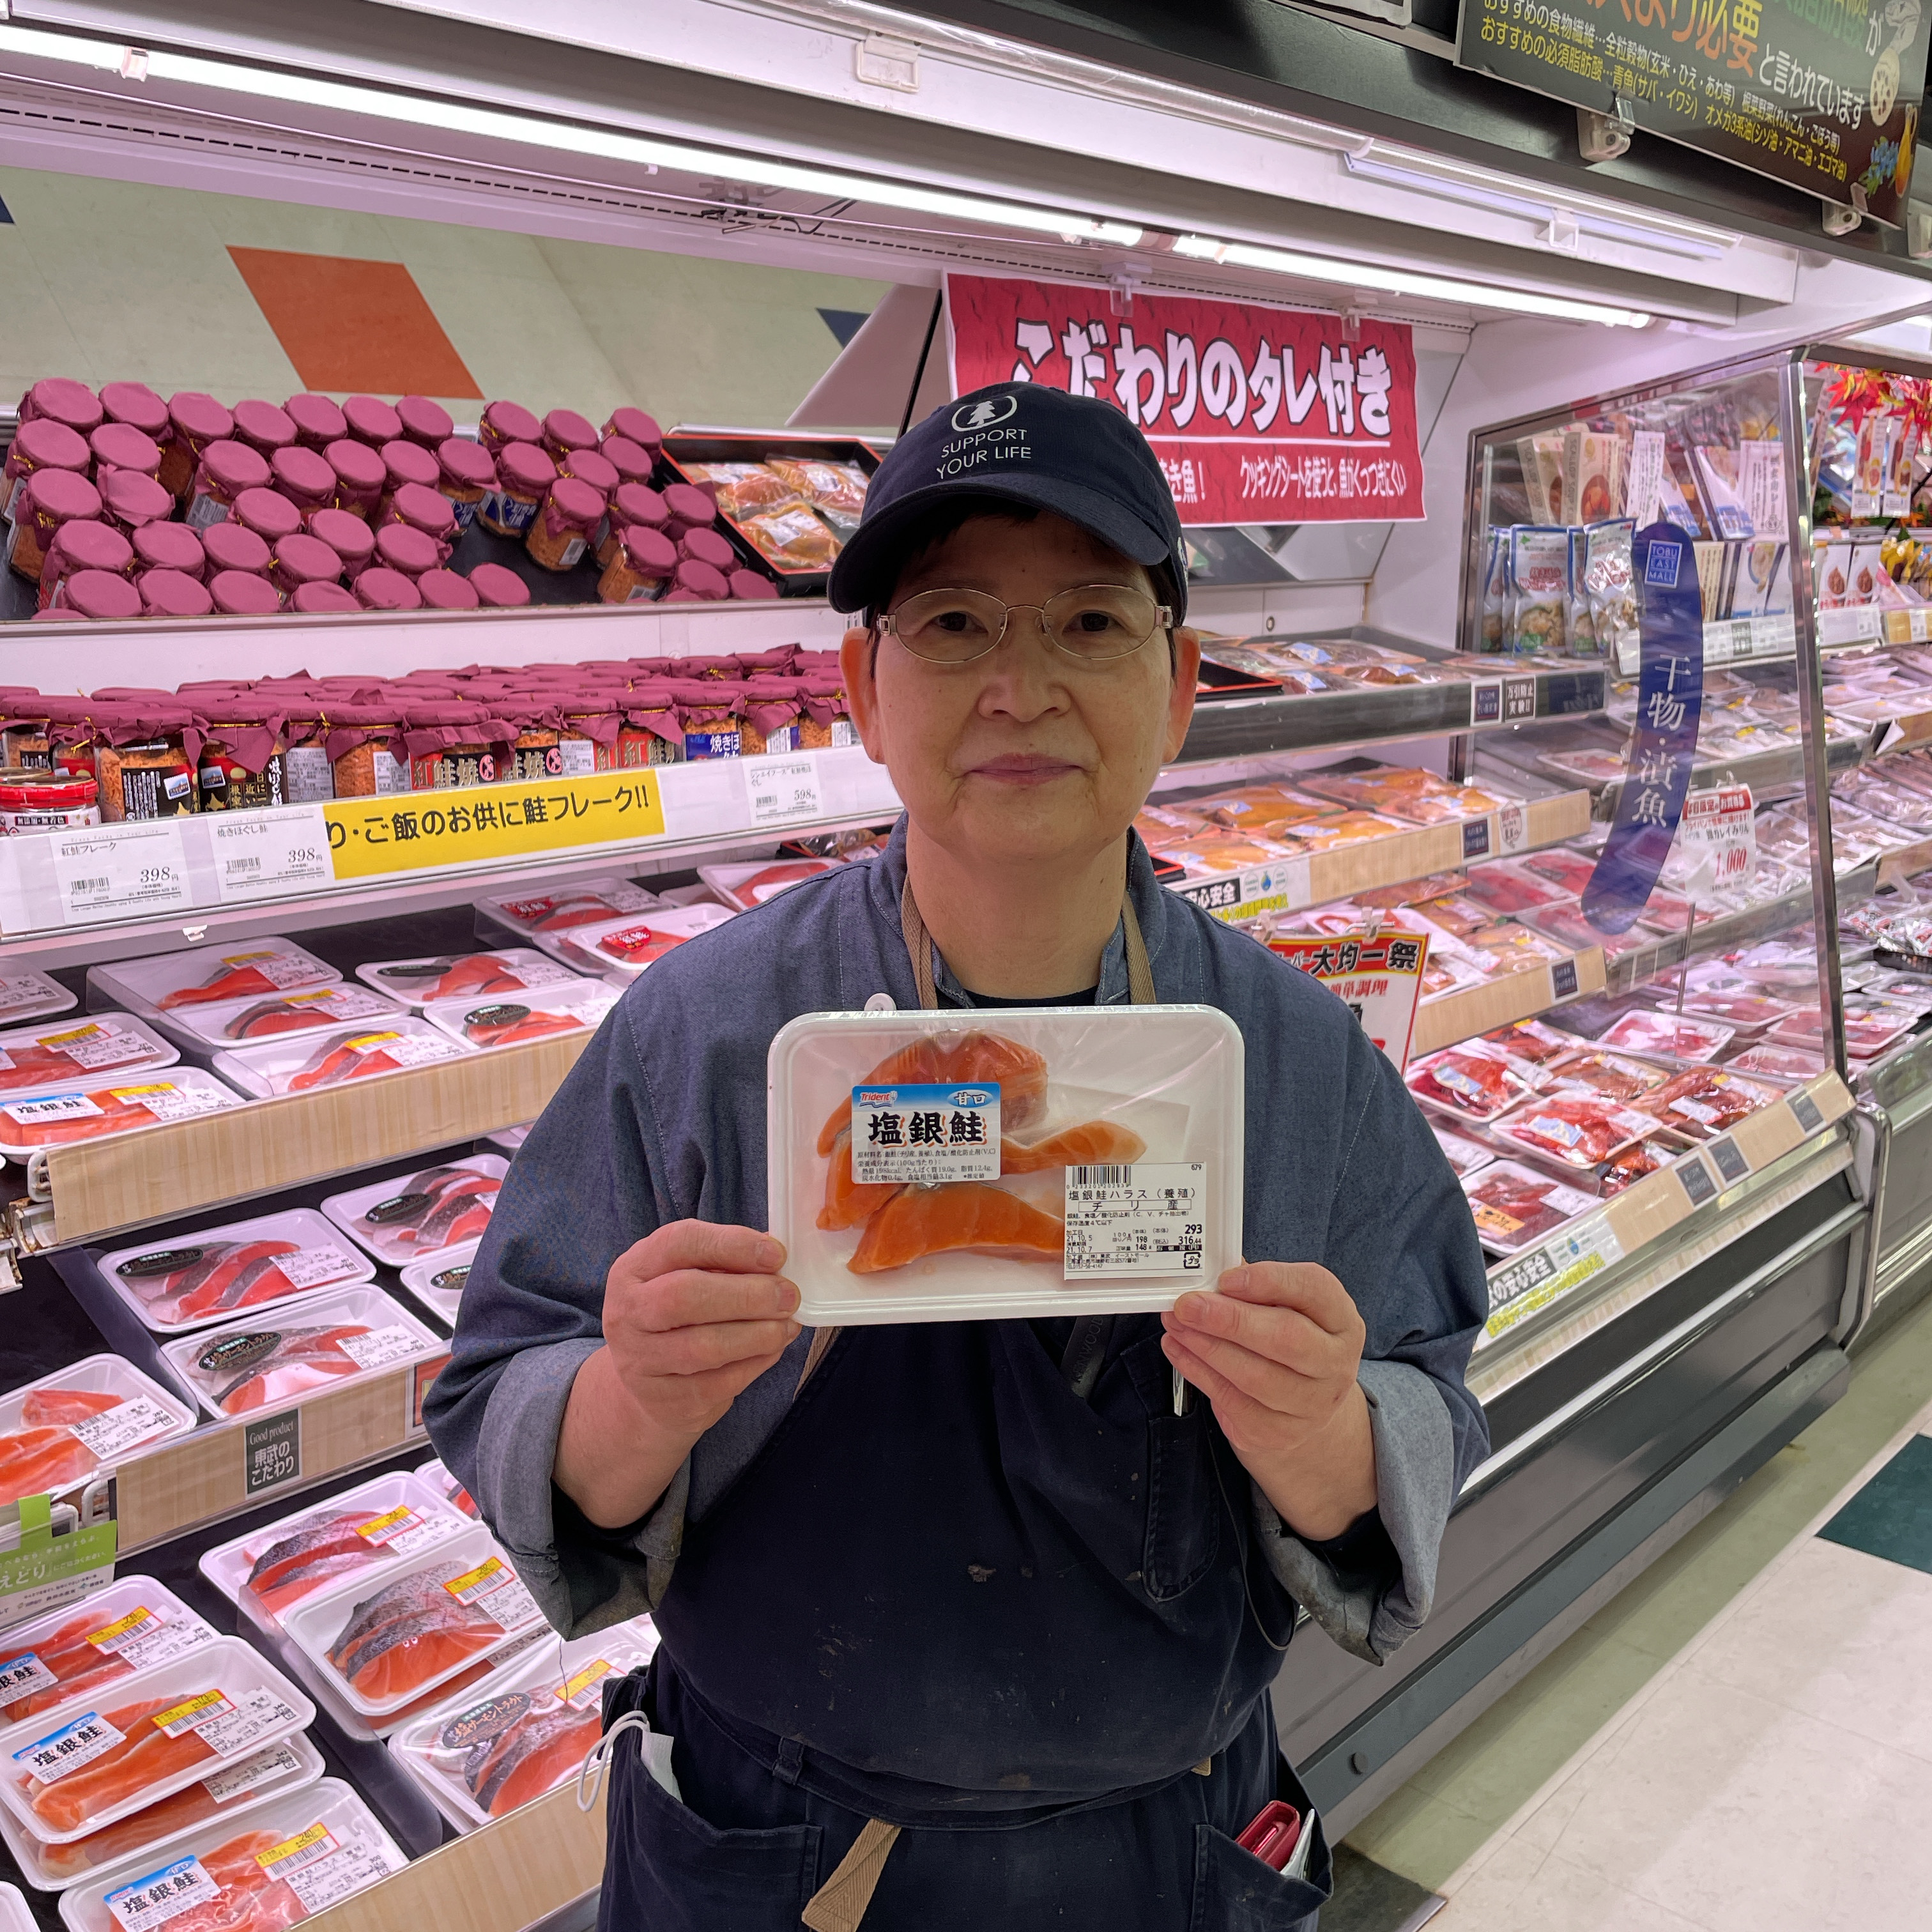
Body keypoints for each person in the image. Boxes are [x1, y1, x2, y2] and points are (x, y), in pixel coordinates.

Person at [425, 381, 1489, 1931]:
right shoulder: (705, 1034)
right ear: (864, 688)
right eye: (953, 624)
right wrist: (634, 1398)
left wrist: (1325, 1433)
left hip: (1162, 1847)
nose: (1020, 687)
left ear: (1179, 686)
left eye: (1089, 623)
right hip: (774, 1847)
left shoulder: (1294, 1056)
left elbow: (1425, 1402)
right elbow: (503, 1399)